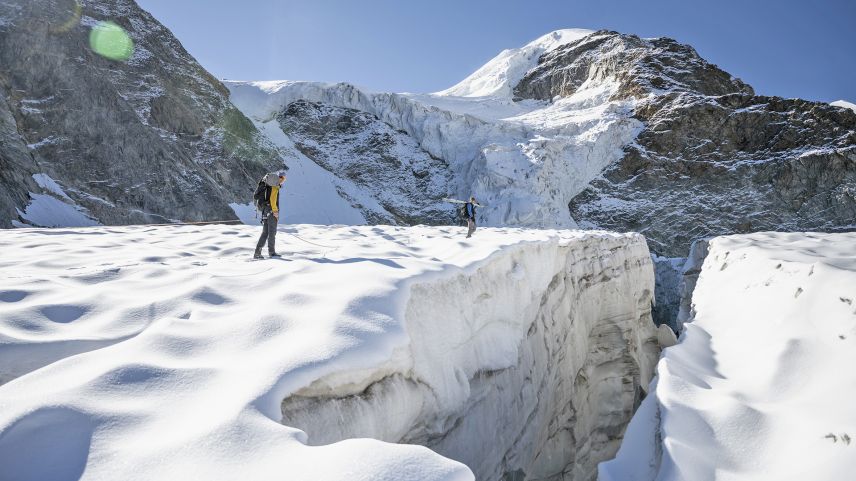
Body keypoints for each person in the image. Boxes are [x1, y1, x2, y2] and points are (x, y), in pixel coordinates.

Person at [254, 173, 285, 259]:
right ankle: (272, 252)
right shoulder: (275, 185)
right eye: (283, 179)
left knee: (265, 233)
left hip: (265, 210)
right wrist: (275, 211)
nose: (283, 181)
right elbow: (273, 199)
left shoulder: (267, 185)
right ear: (281, 178)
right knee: (272, 232)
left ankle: (257, 253)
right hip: (271, 210)